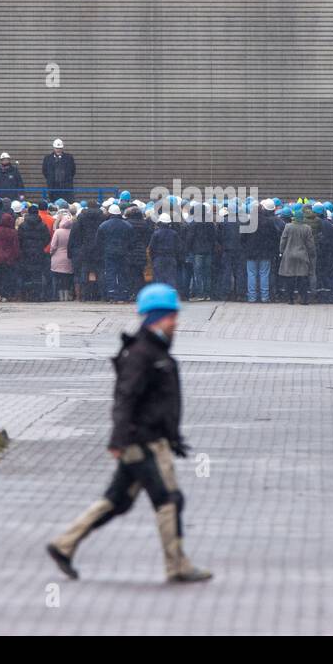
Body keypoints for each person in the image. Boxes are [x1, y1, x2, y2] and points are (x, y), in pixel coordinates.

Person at [46, 283, 212, 584]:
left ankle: (64, 544)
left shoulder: (155, 351)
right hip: (143, 442)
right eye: (171, 316)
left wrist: (173, 439)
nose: (176, 322)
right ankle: (177, 565)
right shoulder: (141, 353)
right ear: (156, 318)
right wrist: (119, 439)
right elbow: (125, 397)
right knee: (168, 499)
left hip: (149, 440)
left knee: (117, 500)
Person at [242, 199, 280, 303]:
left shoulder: (248, 222)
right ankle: (264, 297)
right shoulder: (268, 222)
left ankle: (252, 297)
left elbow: (243, 238)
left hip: (251, 253)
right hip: (265, 252)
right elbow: (274, 237)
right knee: (264, 274)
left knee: (251, 274)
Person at [278, 206, 317, 304]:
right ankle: (303, 299)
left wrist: (281, 251)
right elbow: (310, 244)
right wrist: (312, 253)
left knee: (289, 278)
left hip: (289, 254)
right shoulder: (307, 228)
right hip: (302, 255)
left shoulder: (288, 226)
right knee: (302, 278)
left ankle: (290, 299)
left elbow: (283, 240)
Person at [97, 204, 133, 302]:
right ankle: (124, 293)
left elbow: (99, 241)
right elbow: (131, 240)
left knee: (110, 273)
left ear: (110, 213)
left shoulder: (103, 225)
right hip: (123, 253)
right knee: (123, 272)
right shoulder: (127, 225)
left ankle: (112, 294)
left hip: (109, 253)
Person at [17, 204, 52, 301]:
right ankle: (37, 295)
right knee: (38, 275)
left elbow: (19, 239)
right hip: (39, 253)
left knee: (27, 275)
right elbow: (47, 238)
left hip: (26, 253)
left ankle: (27, 295)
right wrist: (40, 246)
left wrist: (24, 247)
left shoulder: (22, 225)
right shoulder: (43, 225)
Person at [0, 207, 21, 300]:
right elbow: (15, 246)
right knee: (7, 277)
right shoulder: (13, 232)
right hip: (8, 257)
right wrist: (16, 256)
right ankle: (5, 295)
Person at [149, 211, 181, 288]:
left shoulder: (156, 233)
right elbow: (178, 247)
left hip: (158, 258)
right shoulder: (174, 233)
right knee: (171, 277)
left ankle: (160, 294)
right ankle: (170, 293)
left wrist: (153, 258)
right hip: (171, 257)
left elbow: (151, 247)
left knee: (159, 277)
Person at [50, 212, 75, 301]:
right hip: (68, 258)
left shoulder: (58, 232)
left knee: (58, 279)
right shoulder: (72, 231)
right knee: (67, 280)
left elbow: (53, 246)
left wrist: (51, 253)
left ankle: (60, 296)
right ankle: (67, 295)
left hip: (57, 258)